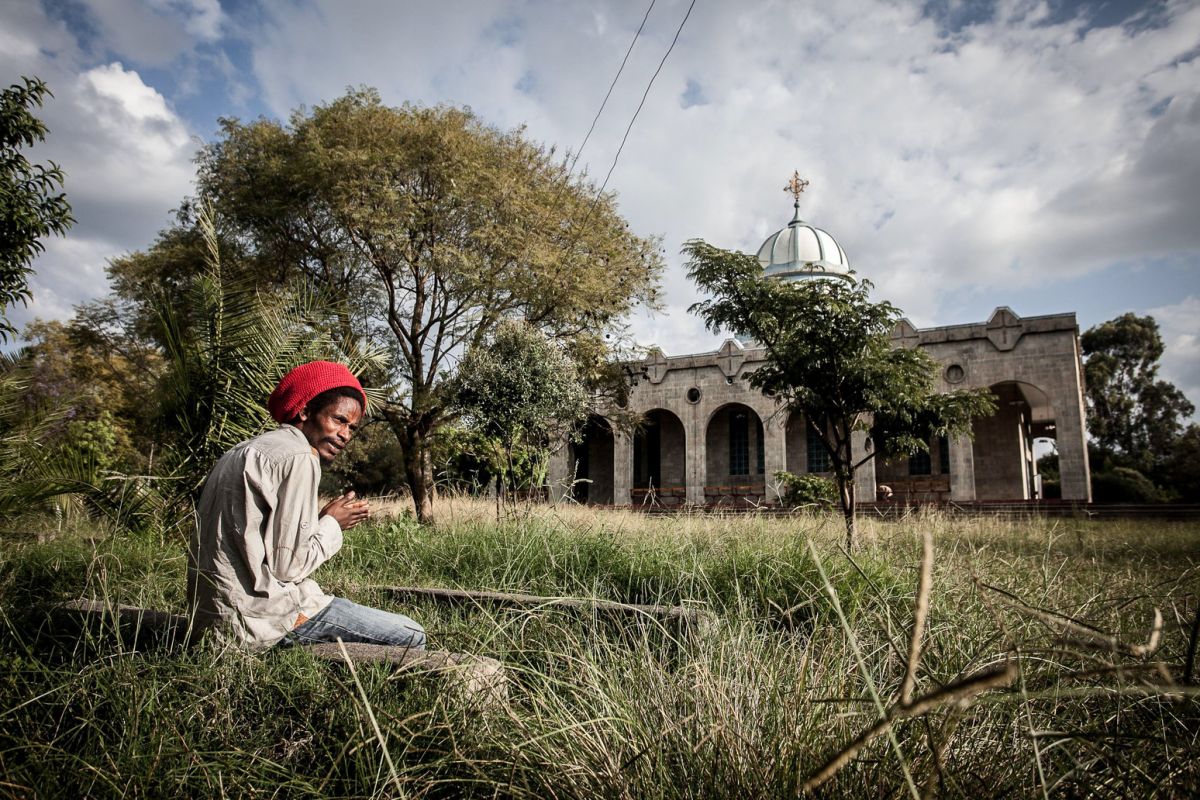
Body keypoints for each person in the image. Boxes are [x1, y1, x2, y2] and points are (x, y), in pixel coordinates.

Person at [188, 360, 425, 651]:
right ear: (305, 410)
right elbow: (287, 567)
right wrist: (332, 524)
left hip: (212, 622)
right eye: (338, 419)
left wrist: (319, 519)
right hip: (262, 623)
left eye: (352, 427)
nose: (345, 435)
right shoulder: (300, 457)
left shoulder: (242, 451)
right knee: (412, 633)